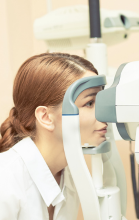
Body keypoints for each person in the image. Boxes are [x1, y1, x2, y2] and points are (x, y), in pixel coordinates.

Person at [0, 53, 108, 220]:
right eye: (89, 103)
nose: (103, 112)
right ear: (45, 117)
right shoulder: (5, 179)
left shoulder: (70, 178)